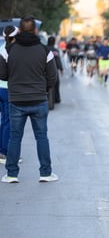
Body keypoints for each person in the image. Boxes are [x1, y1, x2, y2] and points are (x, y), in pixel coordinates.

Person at [0, 16, 58, 183]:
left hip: (16, 101)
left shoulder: (8, 50)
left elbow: (2, 74)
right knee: (41, 136)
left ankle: (11, 174)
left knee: (14, 137)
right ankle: (45, 173)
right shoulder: (44, 50)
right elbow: (52, 78)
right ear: (35, 30)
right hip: (39, 100)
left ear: (19, 29)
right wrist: (42, 90)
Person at [0, 26, 18, 164]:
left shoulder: (2, 47)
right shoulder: (12, 50)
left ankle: (2, 149)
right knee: (8, 121)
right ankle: (5, 152)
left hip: (1, 88)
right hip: (8, 89)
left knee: (4, 120)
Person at [47, 36, 63, 103]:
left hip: (45, 69)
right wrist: (61, 69)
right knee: (56, 83)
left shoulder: (45, 49)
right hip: (54, 69)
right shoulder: (55, 50)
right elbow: (58, 60)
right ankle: (57, 98)